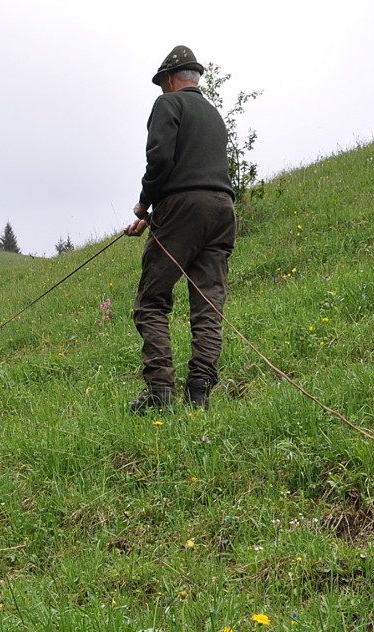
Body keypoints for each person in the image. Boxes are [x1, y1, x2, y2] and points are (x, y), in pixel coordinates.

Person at [125, 45, 237, 412]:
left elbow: (160, 158)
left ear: (170, 80)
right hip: (222, 210)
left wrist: (145, 203)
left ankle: (160, 393)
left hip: (183, 209)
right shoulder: (215, 115)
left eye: (162, 84)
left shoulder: (168, 105)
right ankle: (200, 390)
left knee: (151, 302)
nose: (161, 90)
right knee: (208, 303)